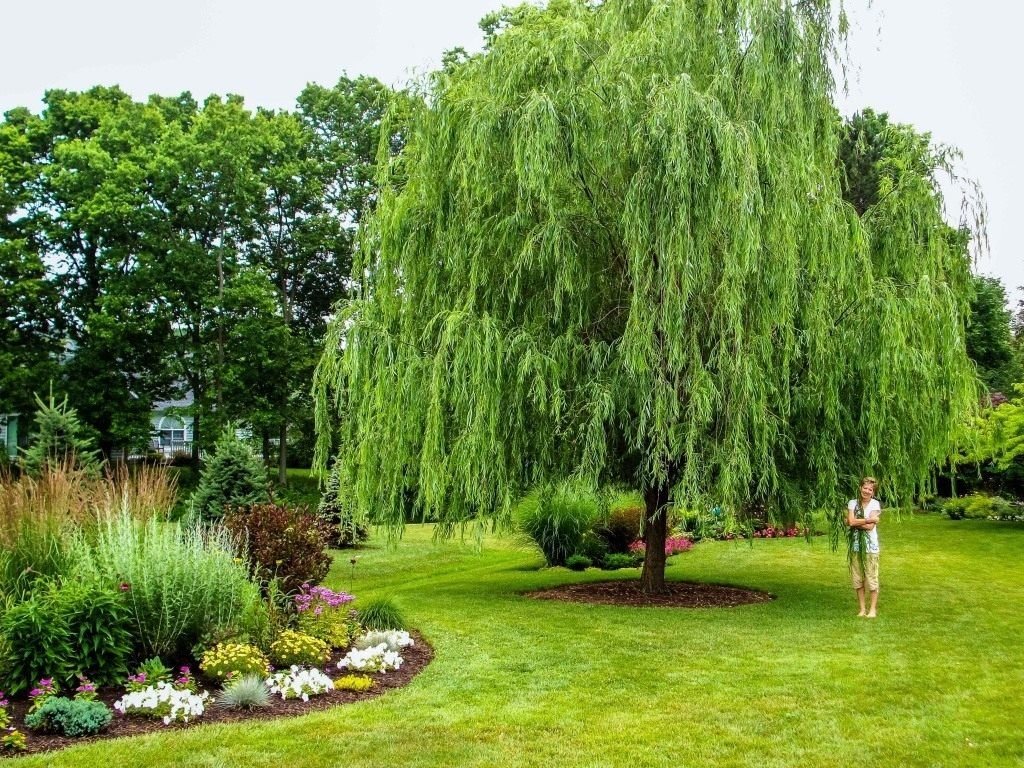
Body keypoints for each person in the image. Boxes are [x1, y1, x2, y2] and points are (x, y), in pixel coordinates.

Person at [847, 476, 881, 618]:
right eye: (865, 487)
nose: (866, 491)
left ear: (873, 492)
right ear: (860, 487)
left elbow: (869, 528)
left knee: (871, 578)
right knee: (858, 579)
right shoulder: (852, 503)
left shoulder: (875, 505)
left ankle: (872, 609)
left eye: (870, 489)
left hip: (870, 547)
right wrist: (868, 519)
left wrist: (856, 522)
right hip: (856, 546)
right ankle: (862, 609)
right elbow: (851, 521)